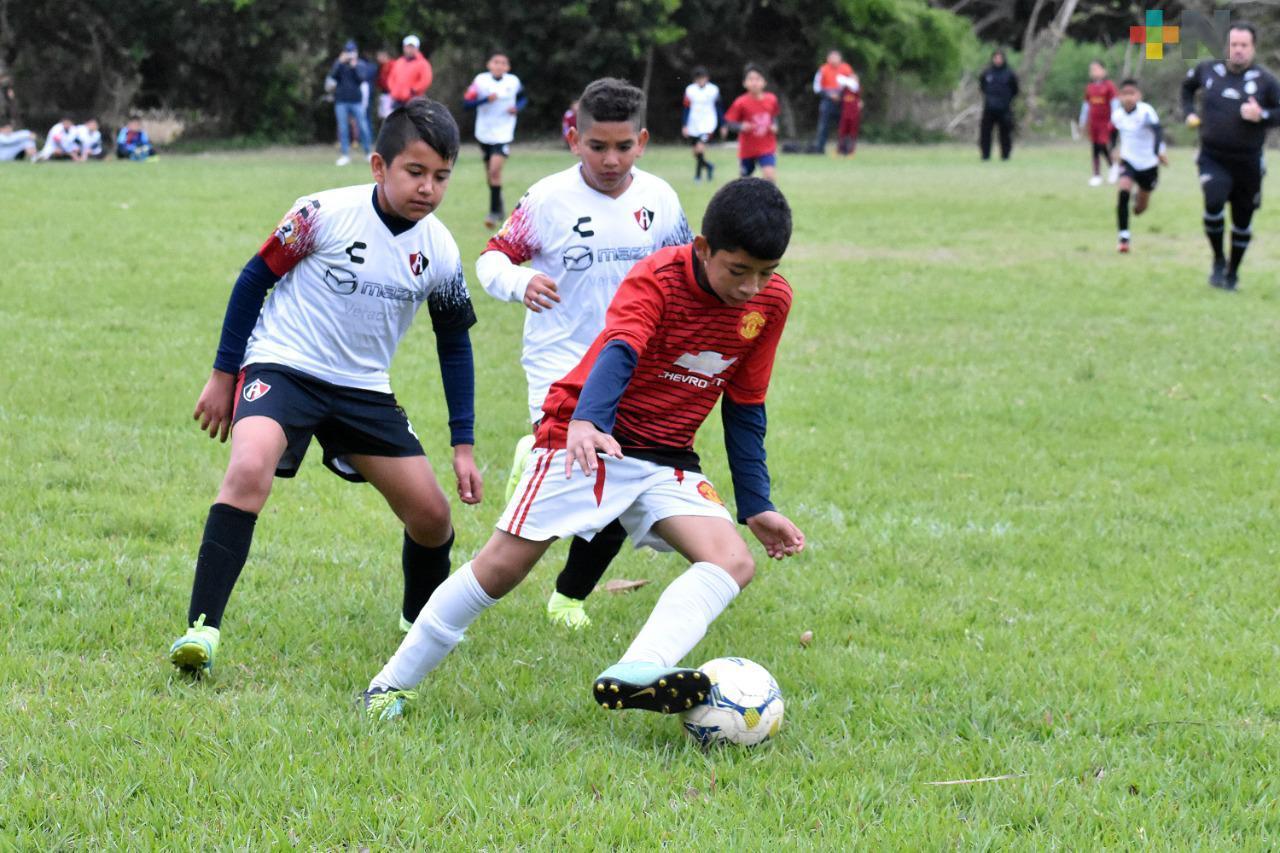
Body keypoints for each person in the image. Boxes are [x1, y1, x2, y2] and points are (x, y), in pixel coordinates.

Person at [361, 178, 805, 722]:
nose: (751, 288)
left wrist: (756, 502)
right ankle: (388, 686)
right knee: (500, 569)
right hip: (590, 433)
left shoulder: (771, 301)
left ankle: (638, 670)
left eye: (766, 272)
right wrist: (588, 422)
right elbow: (621, 347)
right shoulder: (659, 276)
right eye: (739, 271)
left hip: (667, 455)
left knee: (733, 561)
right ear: (704, 247)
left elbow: (745, 401)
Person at [167, 98, 482, 675]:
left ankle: (420, 627)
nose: (428, 189)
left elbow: (454, 344)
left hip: (362, 389)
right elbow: (252, 280)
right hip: (283, 365)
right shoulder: (321, 213)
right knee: (248, 468)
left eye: (441, 177)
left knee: (433, 517)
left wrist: (463, 443)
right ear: (378, 167)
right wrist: (222, 375)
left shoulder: (440, 250)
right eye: (415, 172)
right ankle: (201, 631)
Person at [476, 77, 691, 629]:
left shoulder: (660, 200)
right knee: (589, 477)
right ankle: (536, 452)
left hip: (634, 370)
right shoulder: (548, 198)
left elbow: (685, 273)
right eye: (598, 146)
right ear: (575, 139)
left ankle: (568, 597)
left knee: (620, 487)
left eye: (623, 147)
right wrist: (519, 282)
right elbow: (492, 258)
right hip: (561, 364)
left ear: (642, 141)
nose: (611, 159)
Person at [1182, 21, 1280, 291]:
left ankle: (1232, 273)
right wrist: (1189, 112)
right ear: (1226, 46)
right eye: (1234, 44)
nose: (1238, 50)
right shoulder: (1207, 70)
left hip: (1248, 162)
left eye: (1244, 45)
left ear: (1253, 48)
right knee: (1213, 201)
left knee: (1242, 220)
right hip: (1213, 156)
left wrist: (1263, 115)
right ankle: (1217, 260)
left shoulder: (1266, 80)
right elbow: (1187, 89)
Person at [463, 51, 526, 229]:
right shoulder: (480, 81)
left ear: (508, 67)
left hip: (504, 133)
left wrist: (517, 108)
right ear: (489, 64)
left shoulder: (513, 82)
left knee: (494, 172)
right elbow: (466, 104)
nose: (499, 66)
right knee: (490, 176)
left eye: (503, 63)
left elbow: (523, 98)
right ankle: (499, 207)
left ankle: (493, 213)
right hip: (484, 133)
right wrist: (484, 100)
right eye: (496, 62)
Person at [1111, 80, 1167, 254]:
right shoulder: (1118, 115)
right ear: (1120, 96)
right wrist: (1114, 149)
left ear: (1138, 95)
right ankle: (1124, 238)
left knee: (1139, 209)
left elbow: (1158, 131)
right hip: (1128, 161)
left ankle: (1141, 200)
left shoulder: (1146, 112)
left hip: (1148, 163)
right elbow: (1113, 133)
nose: (1128, 97)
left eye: (1132, 93)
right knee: (1123, 192)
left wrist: (1158, 152)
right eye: (1125, 94)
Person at [723, 64, 780, 182]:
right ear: (744, 83)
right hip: (747, 149)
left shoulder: (771, 99)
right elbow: (729, 122)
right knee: (744, 181)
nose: (754, 83)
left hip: (766, 147)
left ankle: (769, 200)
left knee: (769, 176)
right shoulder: (740, 102)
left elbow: (773, 116)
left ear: (764, 82)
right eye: (751, 79)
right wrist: (741, 126)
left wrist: (775, 125)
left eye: (758, 79)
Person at [330, 40, 375, 166]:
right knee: (343, 128)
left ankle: (368, 152)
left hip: (356, 101)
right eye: (348, 52)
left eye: (352, 52)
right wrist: (339, 62)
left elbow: (362, 78)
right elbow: (332, 76)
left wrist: (354, 66)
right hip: (341, 101)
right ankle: (345, 155)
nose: (350, 54)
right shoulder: (339, 64)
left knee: (363, 126)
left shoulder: (360, 64)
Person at [1079, 61, 1119, 186]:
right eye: (1092, 70)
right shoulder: (1089, 88)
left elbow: (1115, 104)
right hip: (1094, 123)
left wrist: (1115, 119)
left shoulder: (1109, 86)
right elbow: (1086, 105)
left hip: (1106, 122)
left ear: (1103, 71)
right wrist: (1082, 121)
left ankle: (1113, 166)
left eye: (1096, 69)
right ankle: (1096, 175)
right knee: (1095, 147)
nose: (1094, 72)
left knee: (1103, 144)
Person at [979, 50, 1019, 161]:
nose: (998, 60)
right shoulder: (987, 73)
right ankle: (985, 156)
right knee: (985, 133)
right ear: (993, 59)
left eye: (1000, 57)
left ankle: (1005, 156)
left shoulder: (1010, 74)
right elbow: (982, 87)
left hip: (1005, 108)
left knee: (1005, 133)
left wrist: (1007, 100)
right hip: (989, 108)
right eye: (996, 57)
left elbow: (1015, 90)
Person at [682, 67, 721, 182]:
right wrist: (684, 124)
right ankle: (709, 166)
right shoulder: (690, 90)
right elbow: (686, 108)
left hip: (708, 124)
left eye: (702, 78)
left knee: (700, 149)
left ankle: (697, 176)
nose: (700, 81)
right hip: (693, 124)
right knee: (696, 153)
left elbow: (719, 107)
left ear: (707, 78)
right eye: (698, 79)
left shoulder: (713, 90)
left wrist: (723, 124)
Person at [812, 50, 852, 154]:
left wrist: (846, 96)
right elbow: (817, 88)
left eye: (836, 57)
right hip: (828, 101)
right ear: (828, 59)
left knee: (844, 126)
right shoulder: (823, 69)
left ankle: (844, 149)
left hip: (843, 101)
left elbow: (853, 85)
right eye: (832, 58)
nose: (834, 60)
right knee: (823, 125)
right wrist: (829, 95)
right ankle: (819, 149)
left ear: (840, 58)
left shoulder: (846, 69)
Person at [385, 35, 433, 110]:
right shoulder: (399, 62)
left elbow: (425, 80)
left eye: (412, 47)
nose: (409, 49)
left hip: (413, 100)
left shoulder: (423, 63)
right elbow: (391, 77)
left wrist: (413, 90)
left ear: (417, 48)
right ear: (404, 47)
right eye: (407, 47)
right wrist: (393, 89)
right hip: (397, 100)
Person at [836, 67, 861, 157]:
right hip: (845, 114)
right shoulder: (844, 89)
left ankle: (851, 151)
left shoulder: (856, 88)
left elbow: (855, 89)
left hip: (854, 114)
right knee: (842, 132)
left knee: (852, 132)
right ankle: (840, 150)